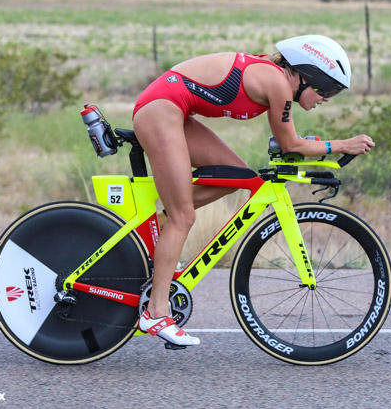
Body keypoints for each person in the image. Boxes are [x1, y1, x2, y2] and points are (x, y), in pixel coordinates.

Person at [133, 34, 375, 346]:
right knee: (185, 217)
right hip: (161, 110)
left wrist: (317, 148)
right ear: (307, 75)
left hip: (173, 110)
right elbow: (291, 144)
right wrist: (343, 144)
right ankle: (156, 313)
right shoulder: (277, 83)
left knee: (237, 175)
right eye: (327, 89)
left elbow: (289, 144)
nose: (326, 98)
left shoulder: (274, 77)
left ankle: (158, 228)